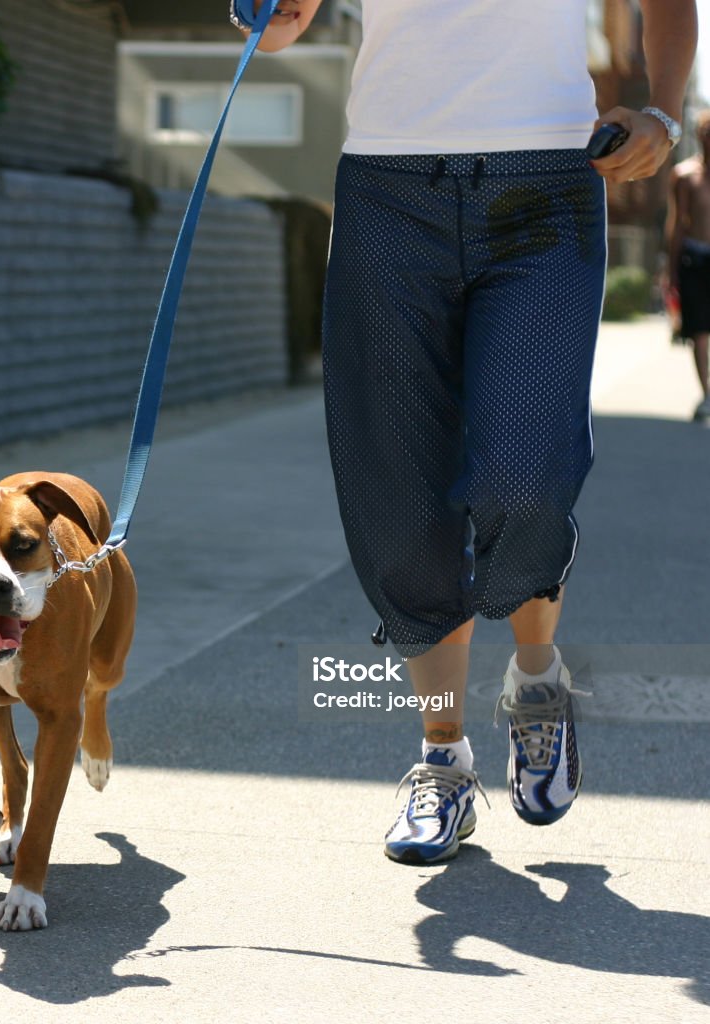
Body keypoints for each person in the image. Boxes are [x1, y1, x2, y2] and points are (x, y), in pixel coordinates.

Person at [242, 0, 696, 863]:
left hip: (548, 187)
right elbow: (285, 20)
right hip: (386, 191)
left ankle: (536, 683)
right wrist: (268, 15)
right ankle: (443, 761)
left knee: (524, 473)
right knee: (401, 498)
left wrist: (665, 112)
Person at [666, 108, 710, 421]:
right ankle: (706, 394)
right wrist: (669, 270)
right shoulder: (685, 175)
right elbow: (678, 223)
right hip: (695, 258)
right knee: (700, 330)